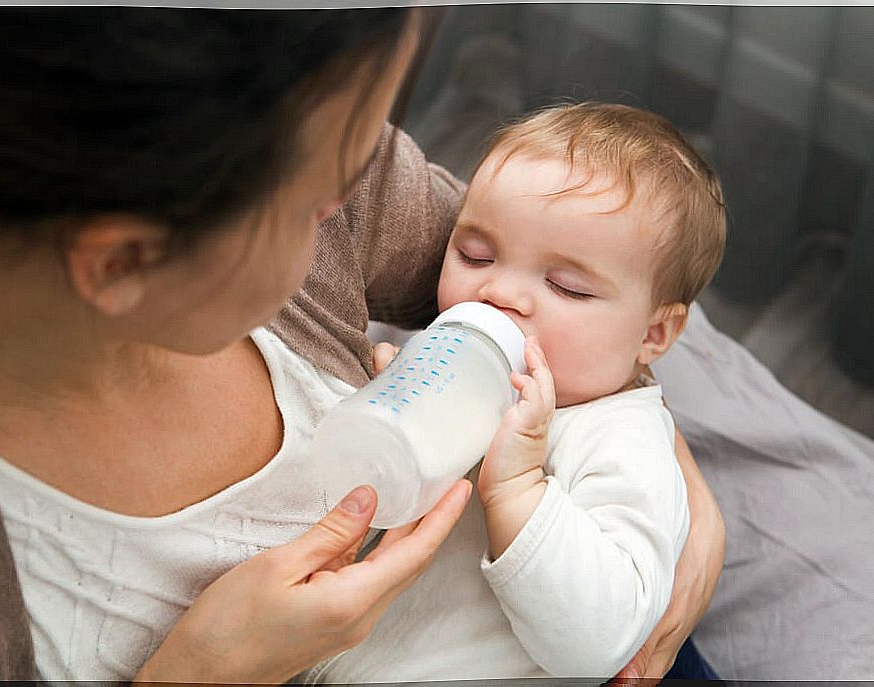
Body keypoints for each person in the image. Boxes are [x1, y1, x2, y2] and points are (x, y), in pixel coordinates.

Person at [0, 7, 724, 684]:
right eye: (319, 198)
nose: (497, 295)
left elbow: (592, 254)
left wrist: (655, 453)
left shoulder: (312, 138)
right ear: (126, 262)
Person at [304, 102, 725, 683]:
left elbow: (600, 642)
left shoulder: (622, 442)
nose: (498, 291)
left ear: (653, 333)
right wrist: (384, 402)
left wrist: (519, 490)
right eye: (474, 254)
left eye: (566, 286)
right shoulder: (450, 356)